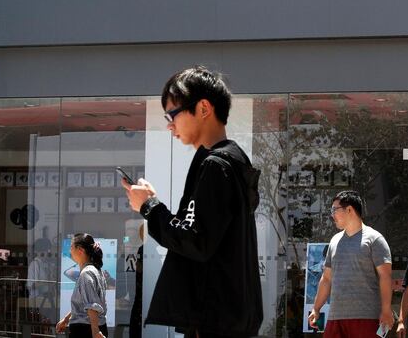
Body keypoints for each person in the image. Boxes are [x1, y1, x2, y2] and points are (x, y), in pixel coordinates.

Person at [123, 66, 263, 338]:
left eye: (173, 114)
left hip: (213, 319)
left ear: (203, 108)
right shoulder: (233, 161)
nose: (169, 124)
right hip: (228, 317)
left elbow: (195, 242)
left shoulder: (216, 166)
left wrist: (149, 207)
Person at [308, 190, 394, 338]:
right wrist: (316, 309)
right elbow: (326, 279)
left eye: (335, 209)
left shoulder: (375, 239)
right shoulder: (334, 241)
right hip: (335, 317)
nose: (332, 214)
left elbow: (385, 277)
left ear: (349, 209)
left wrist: (386, 310)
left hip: (366, 317)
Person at [55, 234, 108, 338]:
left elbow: (92, 305)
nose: (70, 251)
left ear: (80, 250)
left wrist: (95, 331)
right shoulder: (97, 271)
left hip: (85, 330)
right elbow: (86, 303)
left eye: (71, 247)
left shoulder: (86, 273)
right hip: (95, 327)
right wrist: (66, 319)